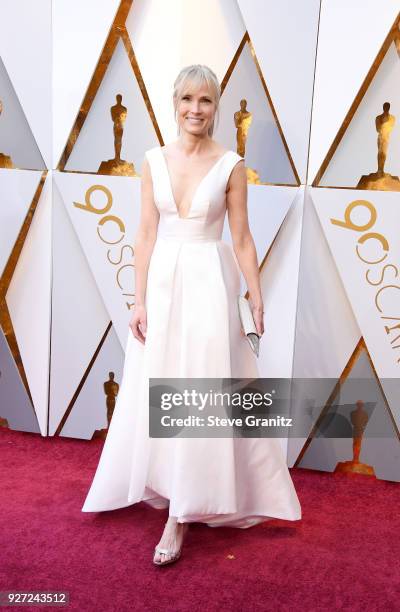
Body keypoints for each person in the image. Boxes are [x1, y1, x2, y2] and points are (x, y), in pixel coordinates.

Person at [82, 64, 301, 566]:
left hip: (208, 283)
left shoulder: (231, 164)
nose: (195, 110)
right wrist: (137, 300)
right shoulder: (152, 161)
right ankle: (167, 485)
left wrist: (256, 295)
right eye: (187, 100)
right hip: (161, 284)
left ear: (216, 105)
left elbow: (241, 238)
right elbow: (144, 234)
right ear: (174, 103)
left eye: (204, 100)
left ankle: (179, 514)